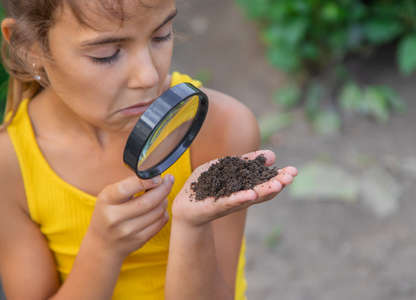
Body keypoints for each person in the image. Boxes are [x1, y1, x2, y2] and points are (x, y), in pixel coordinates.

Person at [0, 0, 298, 299]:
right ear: (30, 47)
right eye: (106, 54)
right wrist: (103, 251)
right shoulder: (11, 163)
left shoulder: (221, 128)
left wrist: (192, 226)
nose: (148, 77)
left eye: (161, 36)